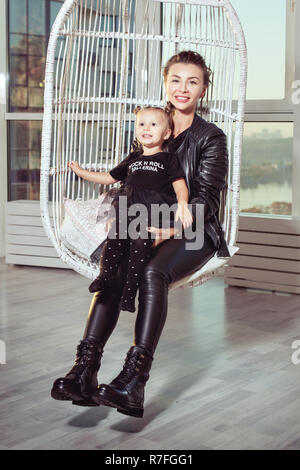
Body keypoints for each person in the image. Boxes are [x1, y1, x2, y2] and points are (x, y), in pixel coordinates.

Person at [51, 50, 231, 418]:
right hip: (142, 223)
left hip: (195, 230)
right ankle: (84, 369)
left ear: (203, 90)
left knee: (152, 272)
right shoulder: (150, 127)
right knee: (113, 266)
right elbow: (132, 182)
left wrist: (172, 228)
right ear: (165, 82)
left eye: (192, 81)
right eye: (176, 79)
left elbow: (207, 199)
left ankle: (134, 380)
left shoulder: (211, 137)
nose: (183, 88)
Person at [67, 106, 193, 313]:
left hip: (153, 213)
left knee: (141, 243)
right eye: (141, 124)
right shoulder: (133, 158)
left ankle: (129, 292)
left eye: (153, 125)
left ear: (166, 133)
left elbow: (180, 186)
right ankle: (104, 277)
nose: (146, 128)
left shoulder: (168, 159)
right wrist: (81, 171)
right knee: (115, 236)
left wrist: (182, 205)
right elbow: (109, 178)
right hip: (128, 210)